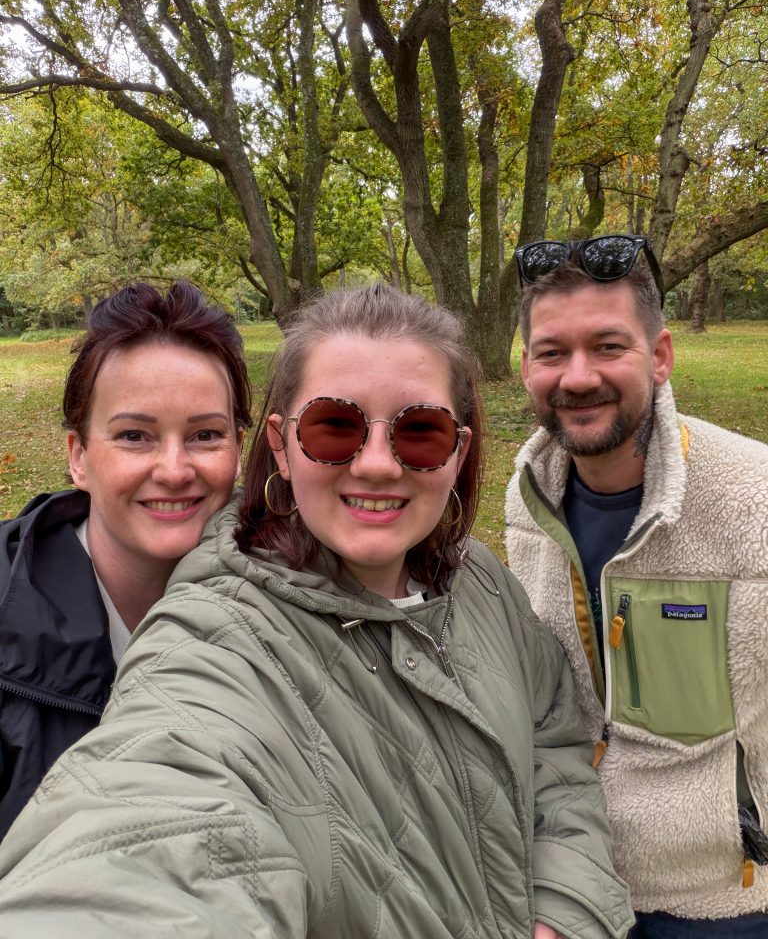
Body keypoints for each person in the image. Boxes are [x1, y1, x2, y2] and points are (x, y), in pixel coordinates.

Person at [0, 284, 632, 939]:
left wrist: (564, 909)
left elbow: (555, 747)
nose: (379, 465)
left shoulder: (481, 582)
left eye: (421, 431)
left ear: (459, 451)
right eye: (335, 427)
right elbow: (160, 824)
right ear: (280, 444)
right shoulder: (219, 642)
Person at [504, 235, 768, 938]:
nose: (577, 377)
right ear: (526, 366)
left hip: (726, 902)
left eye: (608, 347)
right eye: (552, 353)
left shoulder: (755, 500)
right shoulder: (526, 500)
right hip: (572, 885)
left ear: (660, 356)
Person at [0, 281, 250, 840]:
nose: (174, 470)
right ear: (79, 458)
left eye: (205, 435)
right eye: (134, 435)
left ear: (238, 450)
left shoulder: (288, 605)